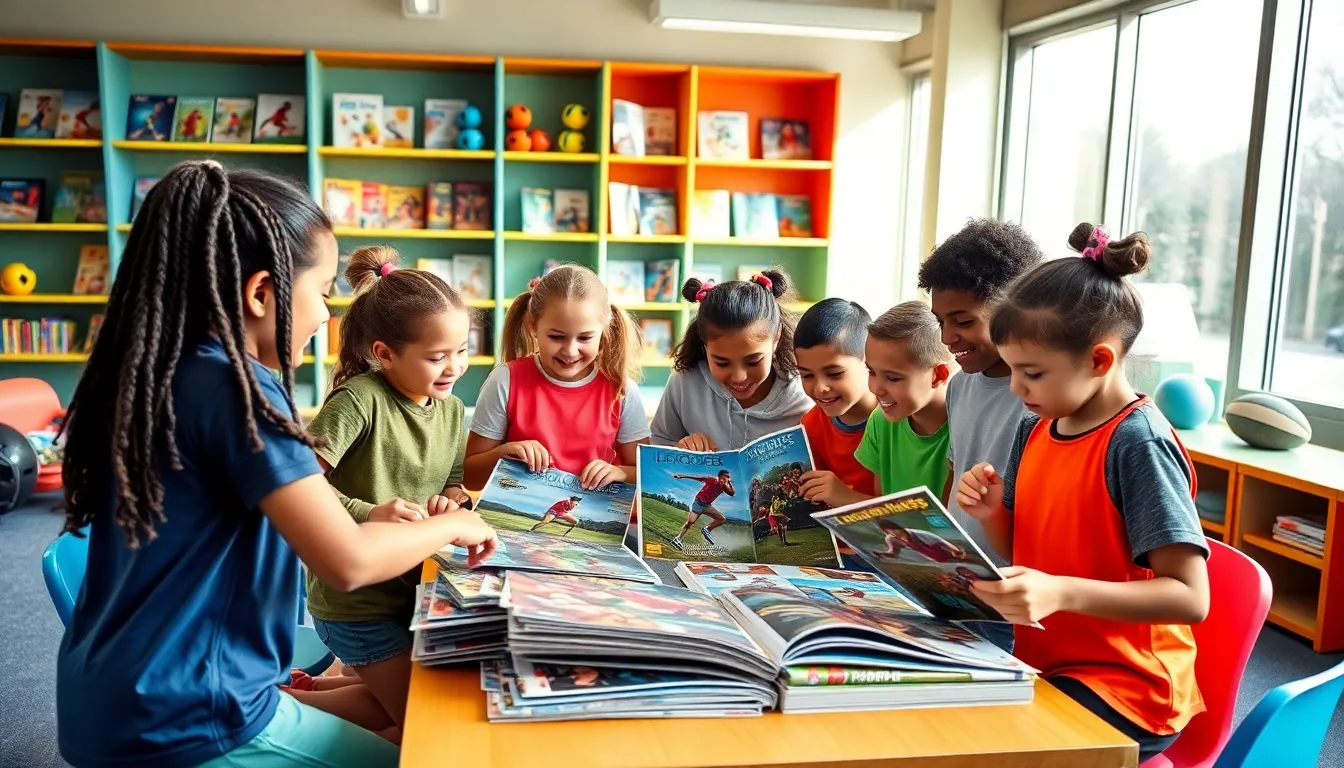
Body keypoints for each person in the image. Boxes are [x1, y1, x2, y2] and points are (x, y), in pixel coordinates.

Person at [55, 162, 498, 768]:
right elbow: (348, 560)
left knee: (404, 720)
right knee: (434, 755)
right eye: (322, 294)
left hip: (115, 694)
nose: (326, 317)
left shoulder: (163, 371)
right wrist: (457, 524)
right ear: (262, 293)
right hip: (189, 715)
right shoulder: (243, 397)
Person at [957, 223, 1210, 763]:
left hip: (1129, 689)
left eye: (1031, 373)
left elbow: (1191, 597)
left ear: (1099, 361)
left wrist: (1063, 592)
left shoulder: (1137, 443)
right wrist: (992, 513)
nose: (1016, 388)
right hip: (1047, 666)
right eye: (1012, 369)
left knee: (985, 752)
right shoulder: (1037, 427)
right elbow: (1023, 549)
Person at [304, 245, 478, 742]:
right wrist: (368, 512)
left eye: (461, 350)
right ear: (384, 353)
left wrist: (450, 503)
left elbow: (451, 483)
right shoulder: (358, 400)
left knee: (410, 708)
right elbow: (301, 486)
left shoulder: (451, 410)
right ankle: (271, 712)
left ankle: (296, 694)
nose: (453, 367)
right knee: (426, 728)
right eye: (437, 357)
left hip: (409, 592)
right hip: (356, 606)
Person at [918, 219, 1044, 652]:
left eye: (963, 321)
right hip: (954, 586)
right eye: (940, 321)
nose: (947, 337)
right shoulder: (959, 386)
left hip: (1008, 598)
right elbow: (956, 479)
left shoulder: (1042, 401)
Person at [464, 265, 648, 490]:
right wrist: (504, 454)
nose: (570, 351)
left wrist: (620, 473)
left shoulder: (621, 389)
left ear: (604, 330)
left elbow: (646, 475)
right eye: (556, 337)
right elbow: (470, 478)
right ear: (532, 325)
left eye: (585, 338)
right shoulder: (505, 381)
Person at [651, 270, 812, 451]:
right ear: (704, 346)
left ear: (776, 339)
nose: (738, 377)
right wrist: (681, 451)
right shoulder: (684, 382)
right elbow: (660, 442)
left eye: (753, 362)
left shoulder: (804, 393)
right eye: (722, 363)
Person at [853, 302, 956, 499]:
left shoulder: (963, 429)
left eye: (892, 378)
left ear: (938, 376)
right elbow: (881, 504)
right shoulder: (880, 421)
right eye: (871, 372)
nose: (875, 388)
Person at [794, 299, 878, 507]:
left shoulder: (898, 420)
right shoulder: (811, 425)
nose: (820, 388)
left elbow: (913, 512)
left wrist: (847, 498)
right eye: (807, 375)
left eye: (834, 373)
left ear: (869, 360)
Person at [670, 470, 734, 550]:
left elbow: (732, 493)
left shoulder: (724, 486)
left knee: (721, 519)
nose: (728, 478)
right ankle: (678, 539)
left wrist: (729, 483)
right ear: (720, 476)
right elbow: (698, 478)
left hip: (707, 506)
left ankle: (707, 529)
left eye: (729, 477)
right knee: (690, 523)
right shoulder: (712, 479)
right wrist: (682, 476)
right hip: (698, 503)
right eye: (727, 477)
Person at [871, 519, 967, 563]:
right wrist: (883, 554)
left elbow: (940, 540)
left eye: (896, 530)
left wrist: (955, 550)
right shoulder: (891, 539)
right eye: (890, 532)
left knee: (966, 559)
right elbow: (894, 553)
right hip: (935, 559)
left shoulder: (917, 533)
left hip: (945, 551)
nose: (895, 534)